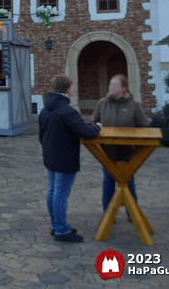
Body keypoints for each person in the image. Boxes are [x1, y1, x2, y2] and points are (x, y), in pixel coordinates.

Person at [39, 74, 101, 243]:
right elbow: (86, 133)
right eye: (72, 88)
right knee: (59, 194)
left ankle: (56, 225)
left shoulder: (45, 109)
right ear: (68, 90)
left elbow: (41, 135)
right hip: (64, 157)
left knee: (53, 192)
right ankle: (61, 230)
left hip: (50, 156)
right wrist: (97, 127)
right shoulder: (67, 111)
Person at [92, 74, 150, 216]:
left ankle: (133, 214)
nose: (111, 87)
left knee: (128, 182)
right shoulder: (102, 104)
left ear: (123, 88)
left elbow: (144, 126)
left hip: (127, 153)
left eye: (115, 85)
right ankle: (109, 214)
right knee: (108, 182)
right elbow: (94, 122)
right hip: (107, 153)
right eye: (110, 84)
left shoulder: (134, 105)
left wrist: (136, 144)